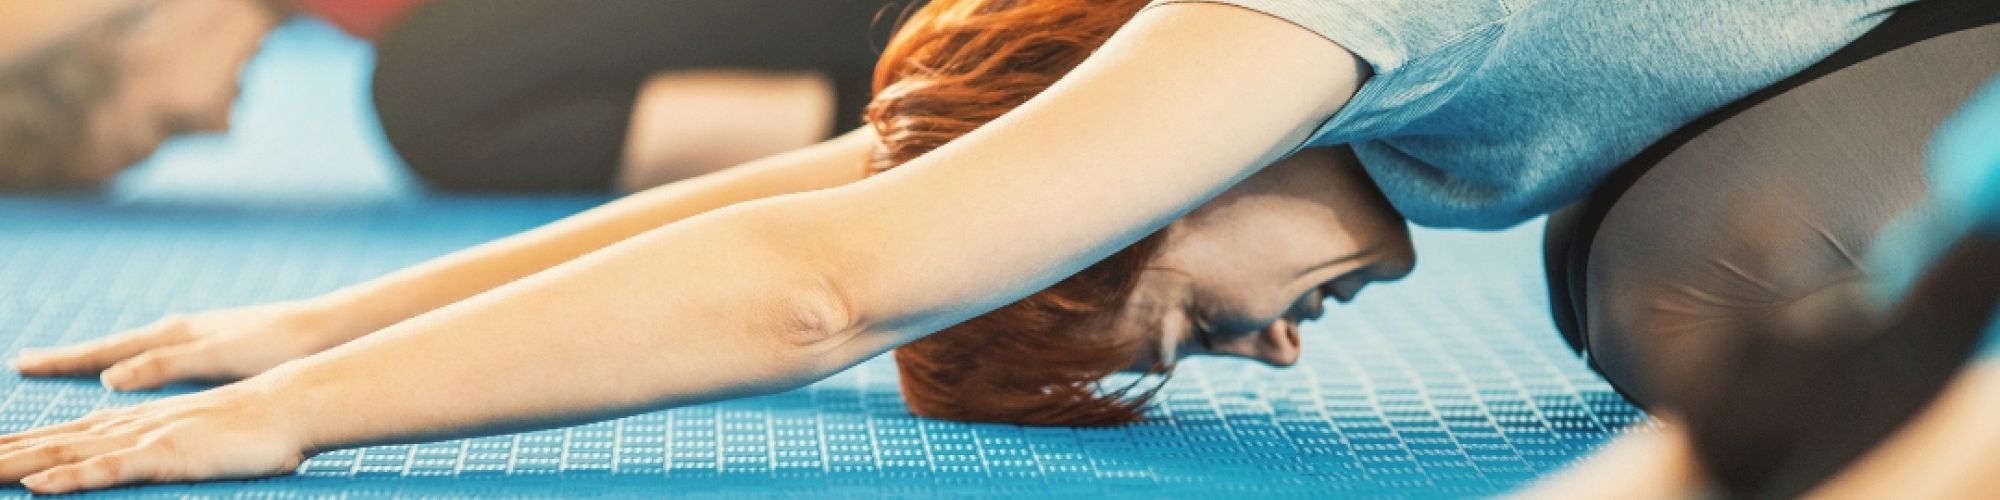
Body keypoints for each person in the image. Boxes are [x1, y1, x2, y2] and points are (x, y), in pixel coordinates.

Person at [0, 0, 1990, 495]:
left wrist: (301, 426)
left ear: (1138, 183)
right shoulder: (1325, 130)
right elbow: (875, 173)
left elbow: (832, 279)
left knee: (1703, 281)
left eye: (1187, 326)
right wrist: (308, 317)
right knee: (1636, 278)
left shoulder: (1278, 36)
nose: (1289, 349)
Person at [0, 0, 902, 192]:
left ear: (132, 27)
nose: (223, 123)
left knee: (435, 92)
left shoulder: (435, 77)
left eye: (164, 127)